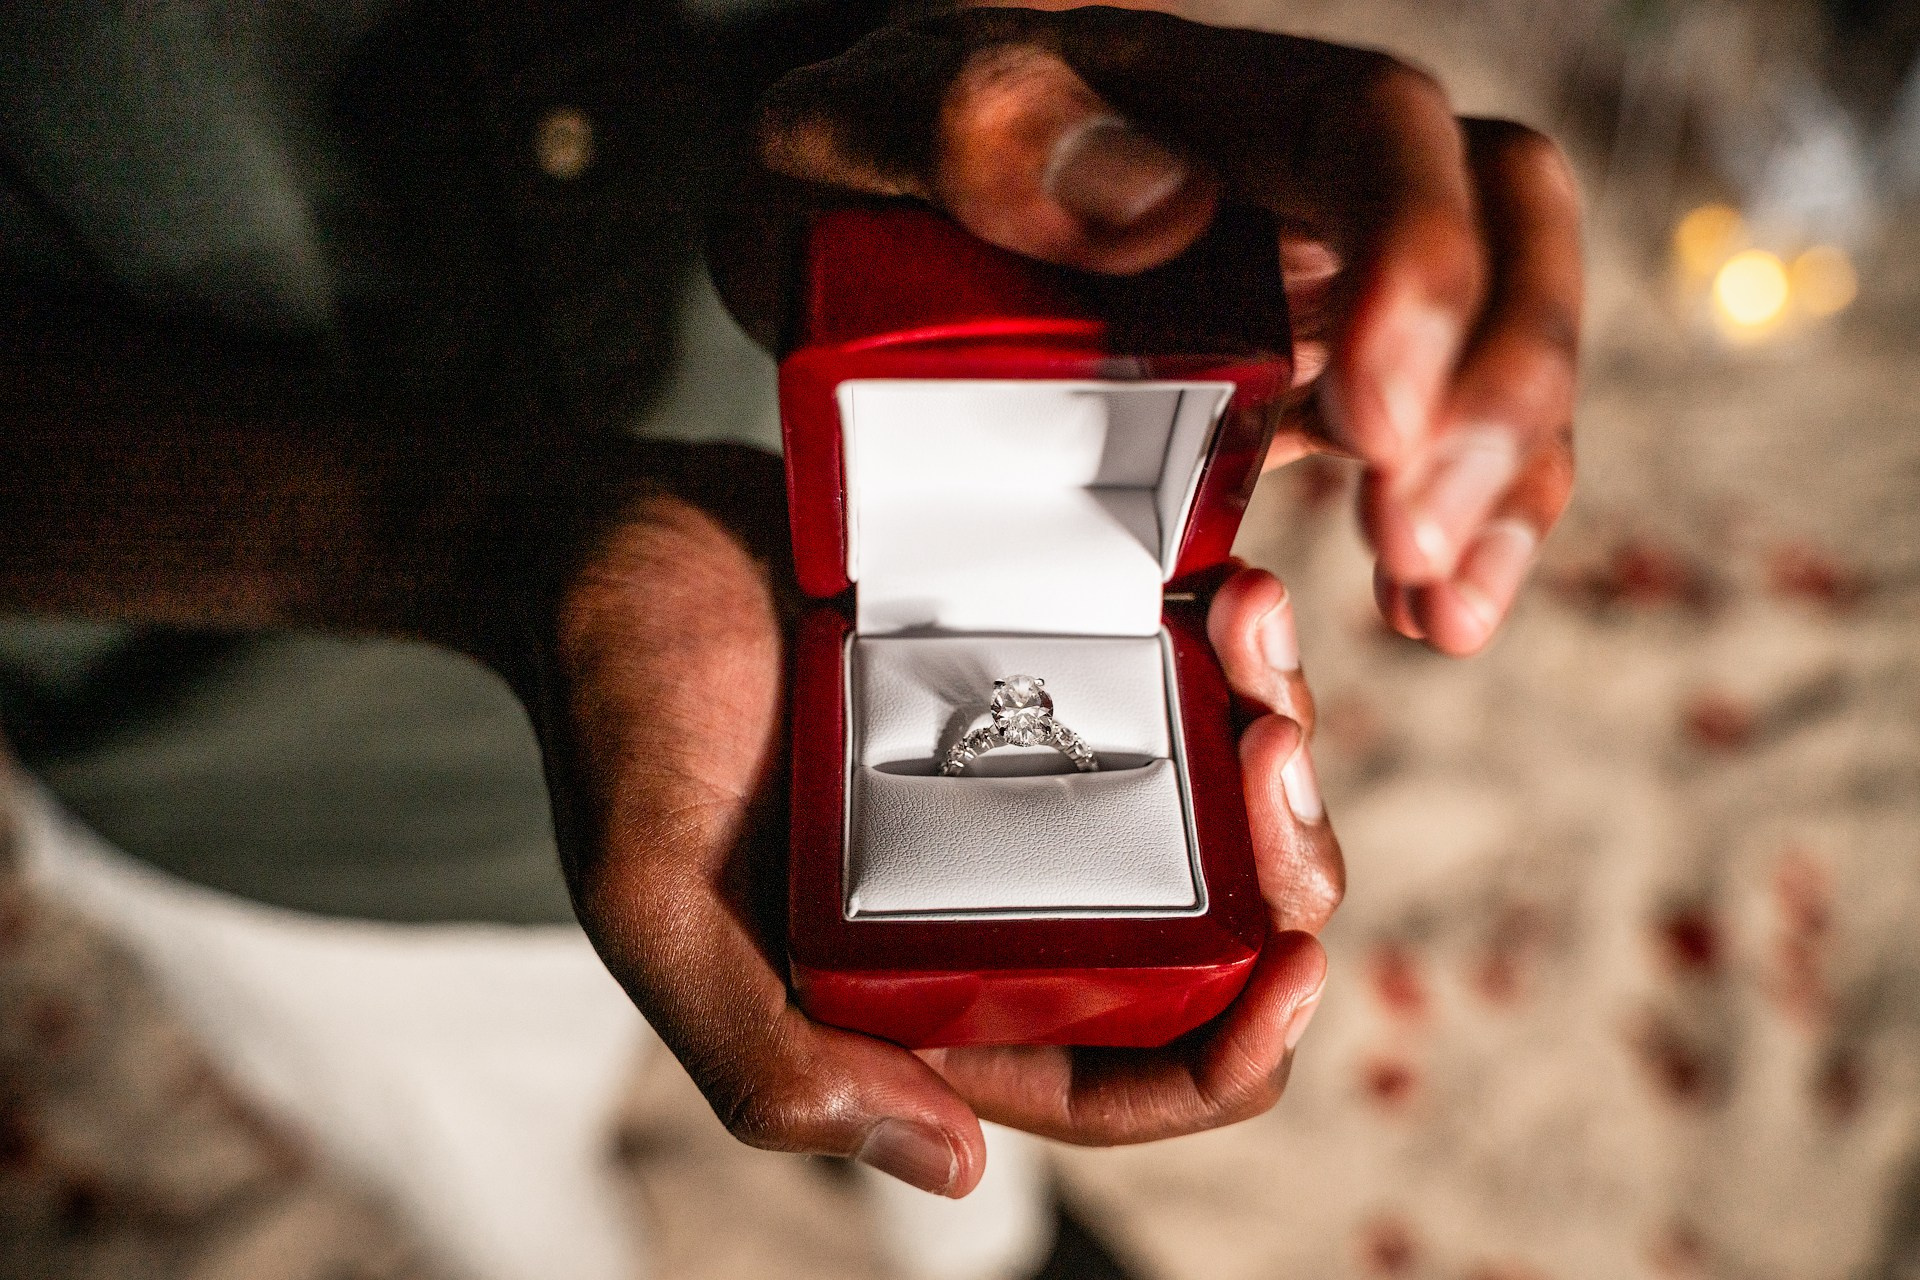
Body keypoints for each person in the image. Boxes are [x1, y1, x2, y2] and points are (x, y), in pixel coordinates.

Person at [0, 0, 1580, 1201]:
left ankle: (974, 1235)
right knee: (486, 1165)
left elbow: (856, 95)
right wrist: (471, 531)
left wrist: (932, 112)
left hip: (800, 544)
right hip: (285, 797)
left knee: (983, 1137)